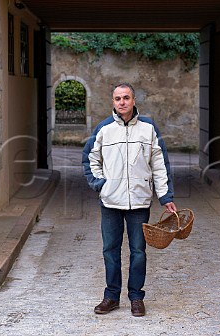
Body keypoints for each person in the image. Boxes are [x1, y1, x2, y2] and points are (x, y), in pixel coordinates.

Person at [82, 82, 177, 317]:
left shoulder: (148, 128)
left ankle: (136, 297)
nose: (122, 102)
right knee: (110, 250)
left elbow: (159, 164)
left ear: (134, 100)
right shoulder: (104, 129)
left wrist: (165, 196)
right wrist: (101, 184)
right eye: (117, 99)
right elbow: (90, 159)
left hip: (139, 201)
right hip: (111, 202)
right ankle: (111, 297)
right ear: (112, 102)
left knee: (138, 251)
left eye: (126, 98)